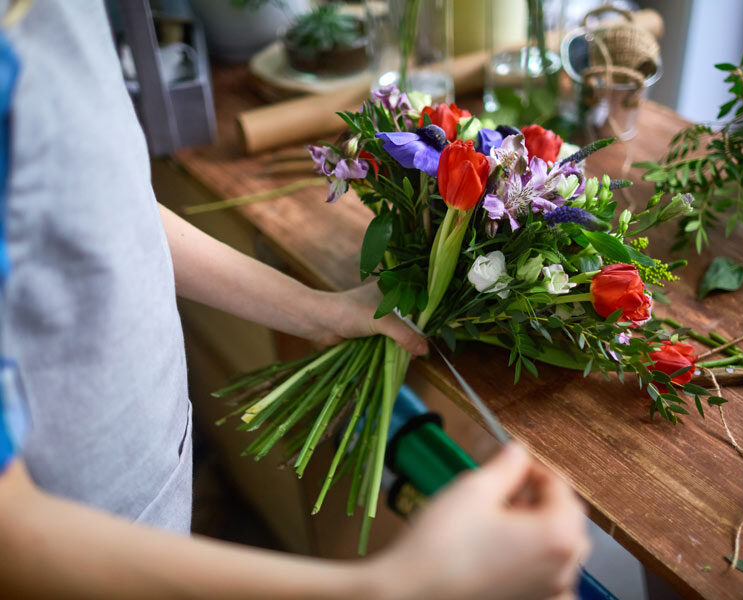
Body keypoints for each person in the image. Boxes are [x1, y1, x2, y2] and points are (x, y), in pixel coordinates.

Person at [0, 2, 589, 599]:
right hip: (65, 528)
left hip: (142, 467)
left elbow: (98, 207)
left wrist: (316, 308)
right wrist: (397, 586)